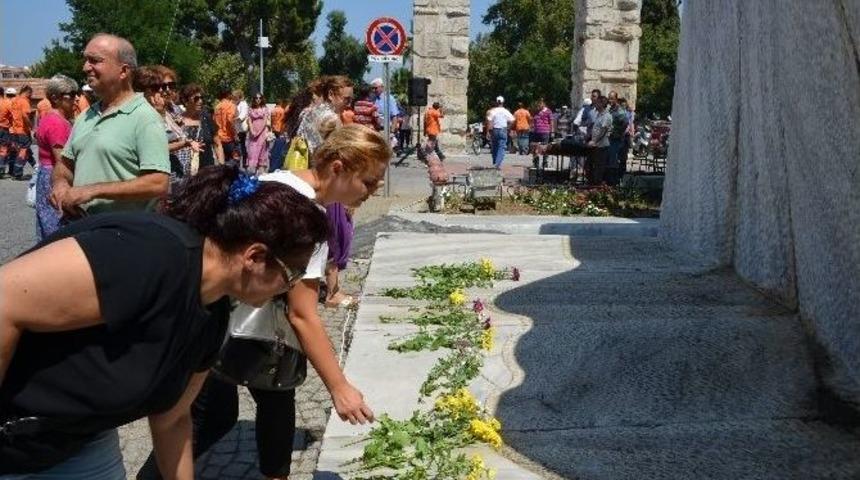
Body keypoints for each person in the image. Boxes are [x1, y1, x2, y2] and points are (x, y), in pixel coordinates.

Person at [0, 164, 330, 478]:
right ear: (255, 257)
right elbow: (5, 299)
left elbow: (173, 419)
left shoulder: (212, 317)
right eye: (293, 274)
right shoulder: (149, 256)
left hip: (78, 442)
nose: (293, 286)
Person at [137, 124, 388, 480]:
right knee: (251, 405)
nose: (373, 192)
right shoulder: (307, 217)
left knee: (229, 411)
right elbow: (302, 314)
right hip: (242, 331)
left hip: (213, 318)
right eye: (369, 182)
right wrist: (339, 387)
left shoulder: (273, 180)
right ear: (339, 166)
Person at [51, 34, 170, 218]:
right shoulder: (86, 115)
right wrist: (60, 184)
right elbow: (65, 165)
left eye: (95, 61)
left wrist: (93, 191)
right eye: (86, 60)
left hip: (122, 234)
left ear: (123, 71)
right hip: (81, 227)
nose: (85, 67)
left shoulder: (145, 118)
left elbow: (158, 183)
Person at [33, 74, 77, 241]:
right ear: (55, 98)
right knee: (57, 225)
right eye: (71, 94)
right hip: (53, 176)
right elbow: (62, 161)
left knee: (47, 223)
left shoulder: (50, 118)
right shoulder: (57, 123)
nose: (76, 98)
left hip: (47, 174)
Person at [135, 66, 196, 183]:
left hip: (181, 172)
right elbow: (155, 146)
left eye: (171, 86)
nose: (165, 90)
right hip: (164, 176)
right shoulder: (148, 112)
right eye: (161, 86)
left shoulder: (174, 109)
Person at [179, 84, 219, 174]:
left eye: (202, 98)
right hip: (184, 174)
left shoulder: (206, 118)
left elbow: (217, 144)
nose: (200, 101)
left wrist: (221, 167)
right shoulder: (177, 122)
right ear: (185, 101)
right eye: (196, 98)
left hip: (207, 172)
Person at [8, 85, 34, 180]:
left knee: (20, 151)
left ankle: (14, 172)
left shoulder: (15, 100)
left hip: (15, 130)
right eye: (31, 93)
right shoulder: (24, 101)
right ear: (27, 92)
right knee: (23, 151)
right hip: (23, 130)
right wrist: (31, 126)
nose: (31, 96)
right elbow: (25, 116)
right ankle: (17, 173)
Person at [586, 95, 611, 185]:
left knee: (599, 169)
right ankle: (592, 185)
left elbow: (603, 131)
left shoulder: (606, 116)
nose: (595, 104)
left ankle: (597, 187)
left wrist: (594, 141)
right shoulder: (598, 115)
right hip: (595, 145)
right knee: (590, 166)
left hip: (601, 145)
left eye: (597, 102)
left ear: (601, 104)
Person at [606, 91, 629, 186]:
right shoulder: (610, 110)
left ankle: (615, 182)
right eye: (609, 98)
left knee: (614, 162)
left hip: (616, 140)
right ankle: (609, 182)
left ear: (616, 99)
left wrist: (617, 133)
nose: (610, 100)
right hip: (609, 139)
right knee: (609, 161)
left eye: (612, 98)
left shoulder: (620, 111)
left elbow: (625, 123)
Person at [245, 92, 270, 175]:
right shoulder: (250, 108)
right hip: (253, 134)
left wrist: (259, 132)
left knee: (262, 151)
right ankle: (253, 172)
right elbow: (249, 120)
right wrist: (252, 131)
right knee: (253, 150)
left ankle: (261, 171)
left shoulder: (265, 108)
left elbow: (265, 121)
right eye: (256, 98)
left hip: (262, 133)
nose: (258, 100)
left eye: (260, 98)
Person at [486, 96, 514, 169]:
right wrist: (508, 128)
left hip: (495, 130)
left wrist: (488, 131)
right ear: (503, 102)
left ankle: (495, 161)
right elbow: (512, 120)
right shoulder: (505, 111)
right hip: (502, 129)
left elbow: (489, 120)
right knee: (501, 147)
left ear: (496, 102)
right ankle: (497, 164)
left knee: (494, 147)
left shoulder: (493, 111)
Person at [214, 88, 238, 164]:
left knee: (222, 162)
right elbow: (230, 120)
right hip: (228, 138)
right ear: (228, 95)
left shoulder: (217, 107)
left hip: (219, 138)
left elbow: (214, 121)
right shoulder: (231, 105)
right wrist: (235, 135)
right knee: (234, 162)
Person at [531, 99, 553, 169]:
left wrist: (552, 131)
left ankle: (545, 162)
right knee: (535, 147)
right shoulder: (536, 111)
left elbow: (551, 121)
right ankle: (536, 162)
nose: (539, 106)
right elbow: (533, 121)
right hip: (536, 131)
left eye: (540, 104)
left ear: (543, 104)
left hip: (545, 132)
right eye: (538, 105)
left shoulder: (548, 111)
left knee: (545, 148)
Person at [0, 88, 15, 178]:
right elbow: (14, 116)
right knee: (3, 149)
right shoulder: (7, 103)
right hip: (3, 129)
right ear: (3, 93)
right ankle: (1, 170)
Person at [234, 90, 249, 162]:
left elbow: (242, 116)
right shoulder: (236, 104)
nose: (234, 98)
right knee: (239, 146)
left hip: (241, 128)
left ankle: (244, 162)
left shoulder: (244, 104)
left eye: (235, 97)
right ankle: (239, 162)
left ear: (239, 96)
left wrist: (233, 119)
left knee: (241, 145)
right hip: (236, 128)